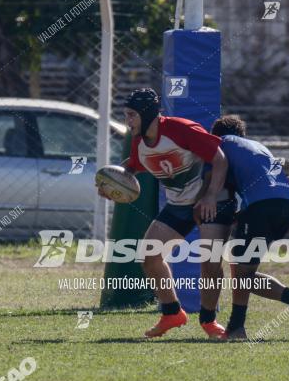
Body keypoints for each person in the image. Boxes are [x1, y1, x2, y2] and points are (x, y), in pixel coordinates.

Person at [98, 88, 233, 339]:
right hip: (178, 206)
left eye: (131, 115)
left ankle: (209, 322)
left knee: (210, 262)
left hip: (209, 201)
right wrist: (112, 183)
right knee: (150, 256)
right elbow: (132, 166)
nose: (127, 121)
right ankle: (172, 313)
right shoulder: (140, 141)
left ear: (147, 114)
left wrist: (211, 195)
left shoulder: (180, 129)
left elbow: (220, 159)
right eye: (126, 115)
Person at [209, 115, 289, 341]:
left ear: (216, 134)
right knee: (243, 271)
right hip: (288, 205)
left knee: (241, 272)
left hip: (261, 205)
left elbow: (221, 183)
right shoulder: (256, 146)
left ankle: (237, 329)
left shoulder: (221, 144)